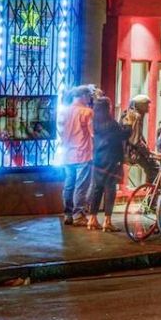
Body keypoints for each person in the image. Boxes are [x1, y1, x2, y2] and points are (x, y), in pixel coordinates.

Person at [86, 96, 129, 231]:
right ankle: (107, 221)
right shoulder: (111, 124)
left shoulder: (95, 123)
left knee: (97, 188)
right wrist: (128, 124)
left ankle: (92, 219)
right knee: (110, 189)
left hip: (98, 157)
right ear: (107, 108)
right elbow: (123, 135)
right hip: (111, 158)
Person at [58, 87, 93, 226]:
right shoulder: (87, 112)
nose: (90, 98)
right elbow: (93, 133)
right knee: (81, 186)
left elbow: (60, 132)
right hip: (83, 153)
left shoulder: (63, 111)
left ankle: (67, 213)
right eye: (89, 96)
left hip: (67, 154)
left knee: (69, 185)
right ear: (83, 96)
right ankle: (78, 215)